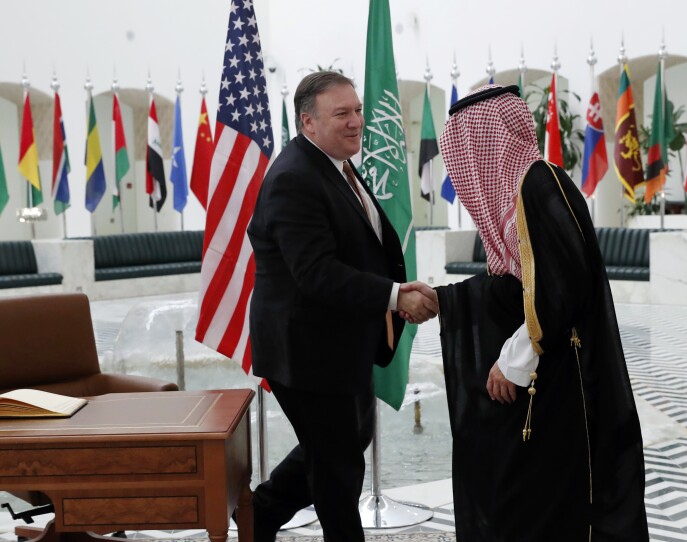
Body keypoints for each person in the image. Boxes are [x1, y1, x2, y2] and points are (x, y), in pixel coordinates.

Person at [434, 84, 648, 541]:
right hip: (549, 376)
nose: (462, 162)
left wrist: (514, 359)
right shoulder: (523, 189)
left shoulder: (538, 182)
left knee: (550, 500)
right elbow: (515, 286)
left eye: (466, 143)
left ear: (484, 140)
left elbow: (563, 284)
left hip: (563, 378)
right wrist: (442, 299)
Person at [247, 71, 438, 542]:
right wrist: (395, 296)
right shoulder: (294, 178)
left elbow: (362, 243)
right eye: (342, 114)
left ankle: (260, 512)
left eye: (358, 110)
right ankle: (264, 515)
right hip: (308, 350)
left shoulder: (334, 163)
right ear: (308, 122)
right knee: (338, 471)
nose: (357, 122)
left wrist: (395, 287)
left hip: (341, 341)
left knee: (344, 445)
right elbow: (316, 273)